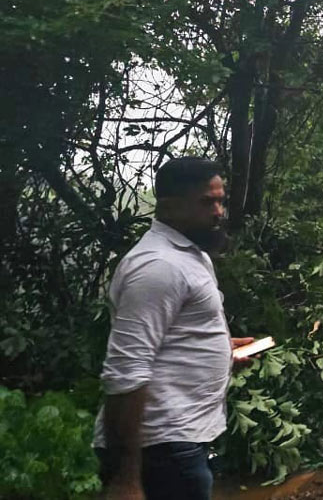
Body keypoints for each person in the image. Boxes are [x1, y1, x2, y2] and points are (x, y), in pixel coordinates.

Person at [93, 157, 255, 500]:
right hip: (160, 449)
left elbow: (173, 339)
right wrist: (125, 481)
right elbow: (125, 372)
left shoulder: (192, 256)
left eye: (220, 200)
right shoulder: (157, 267)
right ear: (169, 206)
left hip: (183, 442)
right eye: (206, 202)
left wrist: (224, 351)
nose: (218, 211)